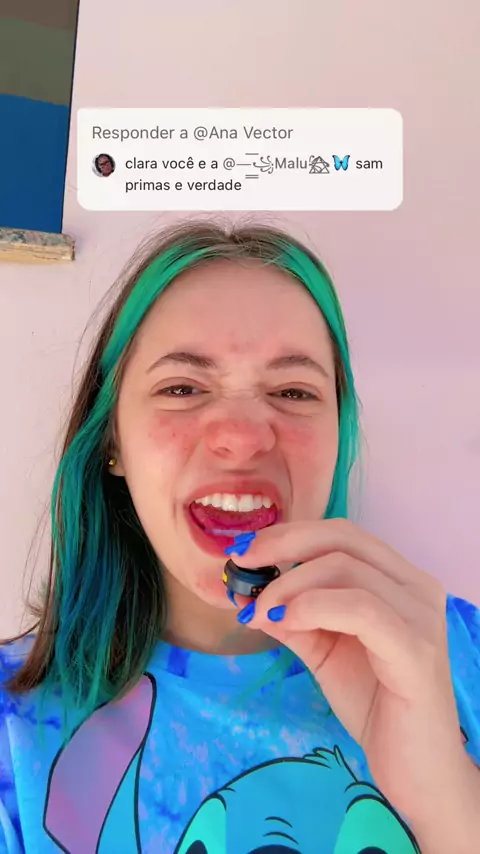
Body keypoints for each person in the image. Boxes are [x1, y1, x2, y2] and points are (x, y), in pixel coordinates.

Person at [0, 221, 479, 854]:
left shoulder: (456, 655)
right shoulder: (13, 733)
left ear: (339, 436)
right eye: (182, 388)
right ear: (112, 440)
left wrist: (445, 793)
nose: (243, 437)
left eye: (293, 391)